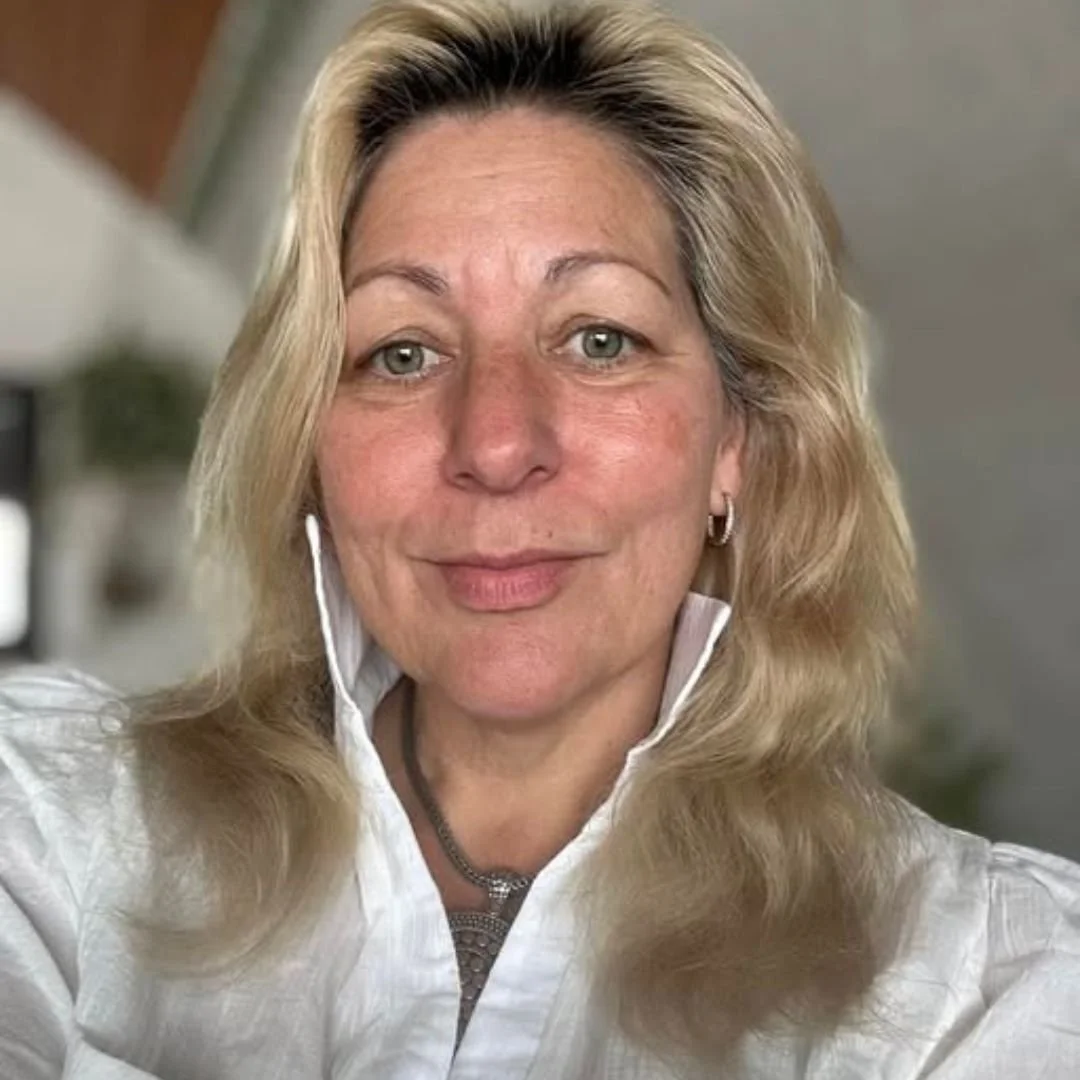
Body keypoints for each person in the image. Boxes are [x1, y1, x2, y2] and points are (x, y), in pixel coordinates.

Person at [2, 0, 1078, 1076]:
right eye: (403, 353)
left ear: (734, 441)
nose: (497, 443)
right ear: (310, 446)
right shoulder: (53, 825)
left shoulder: (982, 979)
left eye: (600, 340)